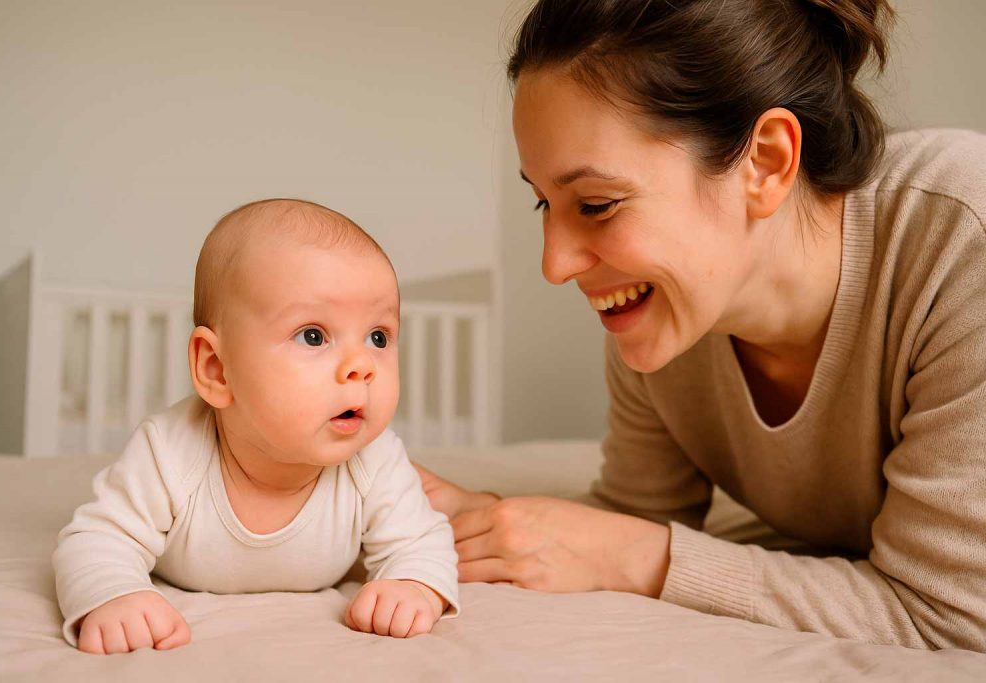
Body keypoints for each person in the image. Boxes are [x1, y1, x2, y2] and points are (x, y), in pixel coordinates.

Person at [417, 0, 986, 651]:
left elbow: (952, 615)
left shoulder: (964, 239)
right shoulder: (668, 316)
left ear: (766, 163)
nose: (555, 263)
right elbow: (632, 521)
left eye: (596, 204)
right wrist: (489, 523)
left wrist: (644, 557)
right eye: (545, 201)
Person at [53, 199, 459, 654]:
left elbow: (423, 542)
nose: (361, 366)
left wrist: (413, 586)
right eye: (313, 335)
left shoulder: (375, 460)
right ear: (216, 369)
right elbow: (97, 540)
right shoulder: (169, 452)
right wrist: (114, 595)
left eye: (378, 337)